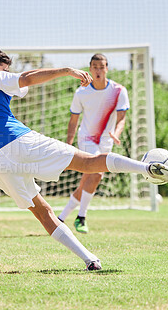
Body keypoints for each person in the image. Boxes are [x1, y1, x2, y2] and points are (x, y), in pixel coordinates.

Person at [0, 46, 168, 271]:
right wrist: (66, 70)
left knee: (43, 212)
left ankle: (90, 259)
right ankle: (147, 168)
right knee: (89, 163)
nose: (7, 73)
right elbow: (26, 79)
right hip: (18, 141)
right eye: (4, 69)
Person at [58, 54, 129, 233]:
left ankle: (61, 217)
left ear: (107, 69)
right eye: (95, 66)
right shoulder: (81, 92)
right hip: (87, 139)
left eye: (101, 66)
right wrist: (68, 145)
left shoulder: (119, 91)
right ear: (90, 69)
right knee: (95, 173)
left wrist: (116, 133)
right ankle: (81, 217)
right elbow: (73, 121)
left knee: (90, 179)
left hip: (106, 141)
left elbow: (122, 118)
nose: (98, 70)